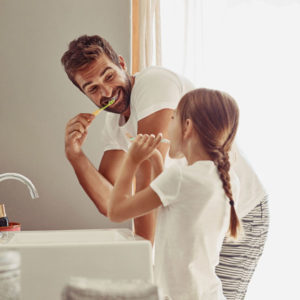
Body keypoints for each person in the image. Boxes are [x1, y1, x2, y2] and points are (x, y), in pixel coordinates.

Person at [61, 35, 269, 300]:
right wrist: (75, 155)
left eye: (109, 76)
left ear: (122, 64)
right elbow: (109, 201)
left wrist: (143, 267)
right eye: (92, 88)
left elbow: (143, 181)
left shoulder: (153, 85)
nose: (106, 92)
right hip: (194, 218)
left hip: (240, 211)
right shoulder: (114, 126)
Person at [108, 88, 241, 299]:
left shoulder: (180, 177)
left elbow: (116, 211)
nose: (168, 127)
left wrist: (131, 160)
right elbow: (174, 209)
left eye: (172, 119)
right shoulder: (226, 177)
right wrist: (157, 161)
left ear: (187, 126)